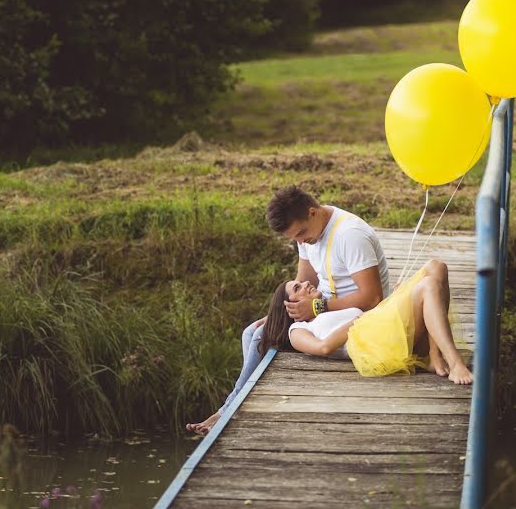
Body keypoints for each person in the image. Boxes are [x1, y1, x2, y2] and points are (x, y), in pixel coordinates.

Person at [185, 186, 390, 434]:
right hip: (324, 310)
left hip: (353, 317)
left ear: (312, 212)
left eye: (302, 234)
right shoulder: (307, 235)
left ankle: (227, 411)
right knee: (252, 331)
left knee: (262, 337)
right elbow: (304, 278)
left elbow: (373, 298)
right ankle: (231, 406)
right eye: (295, 239)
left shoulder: (350, 234)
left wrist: (316, 307)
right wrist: (281, 313)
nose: (301, 242)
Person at [261, 259, 472, 384]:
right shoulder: (299, 329)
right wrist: (357, 320)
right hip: (376, 344)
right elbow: (323, 347)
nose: (306, 283)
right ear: (288, 306)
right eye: (297, 288)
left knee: (436, 267)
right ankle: (455, 363)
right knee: (427, 285)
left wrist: (395, 299)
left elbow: (373, 311)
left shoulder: (328, 307)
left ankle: (434, 357)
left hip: (380, 324)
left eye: (301, 282)